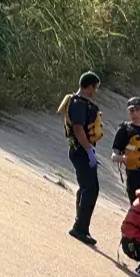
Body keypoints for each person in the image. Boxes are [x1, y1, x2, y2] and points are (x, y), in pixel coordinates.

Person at [56, 71, 104, 246]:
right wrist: (88, 150)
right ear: (89, 86)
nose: (95, 91)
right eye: (95, 88)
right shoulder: (78, 103)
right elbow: (78, 129)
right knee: (91, 189)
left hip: (81, 150)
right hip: (80, 150)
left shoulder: (80, 102)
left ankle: (81, 226)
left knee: (86, 187)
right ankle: (79, 228)